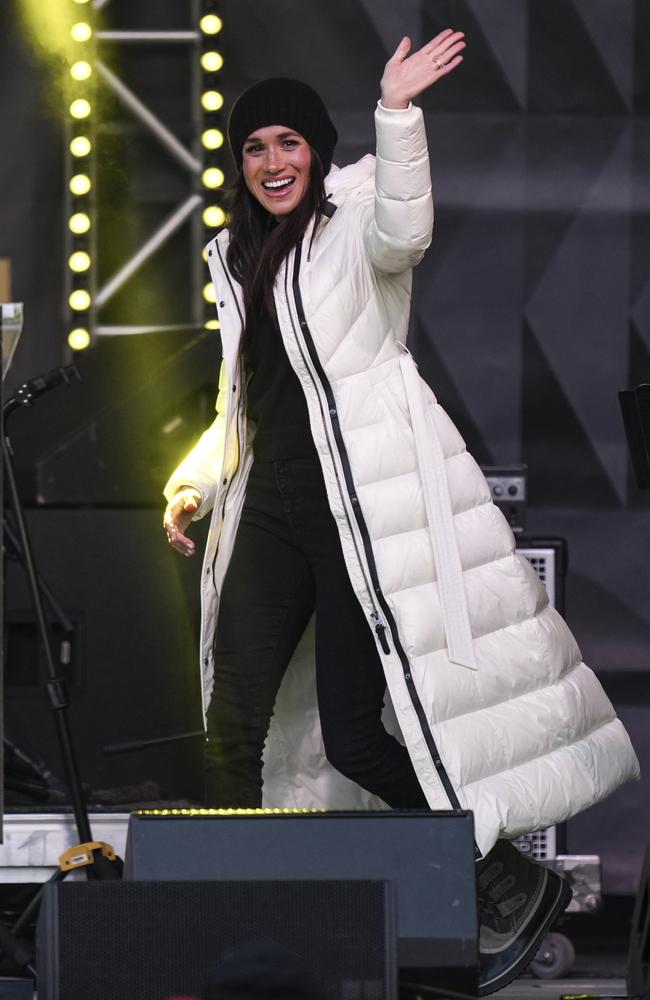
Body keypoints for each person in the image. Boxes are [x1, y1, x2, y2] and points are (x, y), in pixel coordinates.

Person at [163, 32, 639, 995]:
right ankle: (229, 932)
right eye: (255, 149)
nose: (272, 164)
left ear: (318, 150)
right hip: (271, 511)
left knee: (359, 736)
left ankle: (505, 878)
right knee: (228, 727)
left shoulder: (358, 223)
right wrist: (196, 481)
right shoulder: (235, 257)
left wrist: (398, 114)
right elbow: (243, 400)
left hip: (361, 509)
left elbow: (407, 228)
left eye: (289, 144)